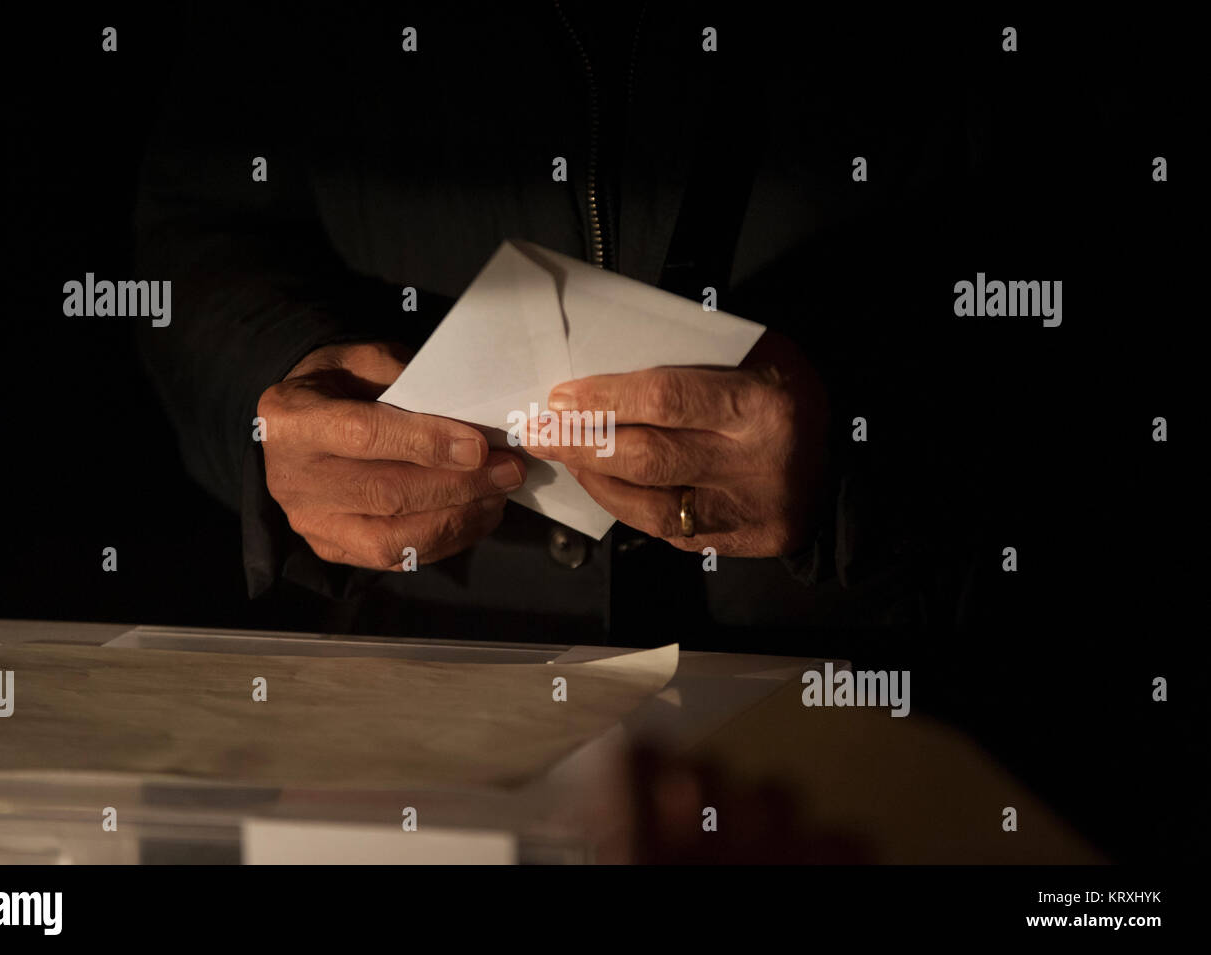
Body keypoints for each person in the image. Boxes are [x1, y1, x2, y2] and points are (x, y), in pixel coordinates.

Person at [135, 6, 982, 647]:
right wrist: (276, 384)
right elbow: (198, 229)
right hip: (419, 680)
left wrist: (857, 445)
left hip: (848, 685)